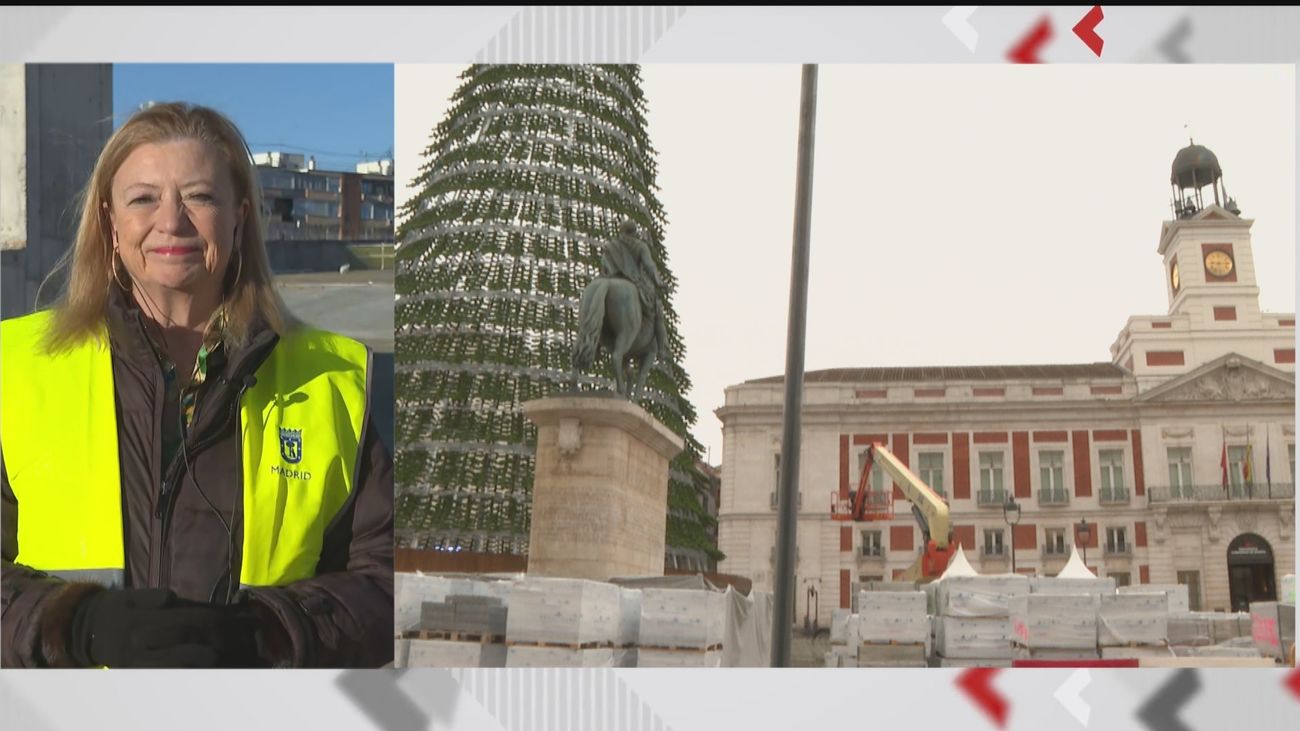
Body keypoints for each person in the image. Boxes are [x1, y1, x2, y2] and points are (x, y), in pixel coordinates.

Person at [0, 102, 394, 668]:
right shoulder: (16, 367)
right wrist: (76, 623)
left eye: (199, 197)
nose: (172, 220)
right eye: (143, 198)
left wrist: (265, 634)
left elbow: (386, 581)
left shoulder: (332, 379)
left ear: (240, 218)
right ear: (110, 224)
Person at [599, 218, 669, 354]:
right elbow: (649, 265)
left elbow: (604, 264)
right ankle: (662, 348)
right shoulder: (640, 246)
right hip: (635, 281)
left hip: (610, 277)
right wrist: (658, 281)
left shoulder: (610, 246)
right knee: (656, 309)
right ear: (634, 232)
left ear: (621, 231)